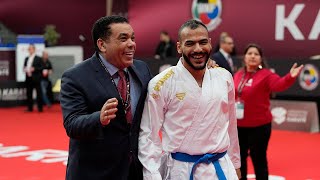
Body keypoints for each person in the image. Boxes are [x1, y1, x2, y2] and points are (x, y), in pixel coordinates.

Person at [139, 19, 241, 180]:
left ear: (209, 43)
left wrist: (236, 164)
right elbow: (149, 136)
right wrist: (152, 175)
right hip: (181, 171)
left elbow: (231, 126)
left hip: (222, 168)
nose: (198, 49)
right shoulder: (161, 83)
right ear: (179, 47)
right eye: (190, 44)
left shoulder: (224, 77)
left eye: (202, 42)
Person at [59, 15, 153, 180]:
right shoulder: (76, 77)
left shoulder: (142, 69)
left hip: (136, 170)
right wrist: (98, 118)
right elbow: (72, 124)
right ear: (102, 44)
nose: (131, 44)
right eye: (123, 39)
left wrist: (202, 72)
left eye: (132, 38)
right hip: (96, 172)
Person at [233, 43, 303, 180]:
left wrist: (290, 77)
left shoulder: (266, 75)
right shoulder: (238, 74)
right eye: (249, 53)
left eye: (256, 54)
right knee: (239, 160)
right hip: (238, 126)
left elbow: (279, 84)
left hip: (259, 127)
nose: (252, 56)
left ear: (260, 59)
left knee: (258, 158)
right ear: (244, 57)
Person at [23, 44, 43, 112]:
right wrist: (25, 69)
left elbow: (41, 68)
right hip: (28, 78)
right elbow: (24, 66)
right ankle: (30, 108)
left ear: (34, 49)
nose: (30, 50)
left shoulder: (38, 58)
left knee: (38, 93)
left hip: (36, 78)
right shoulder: (26, 58)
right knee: (29, 93)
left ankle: (40, 108)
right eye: (29, 49)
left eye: (31, 49)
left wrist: (34, 69)